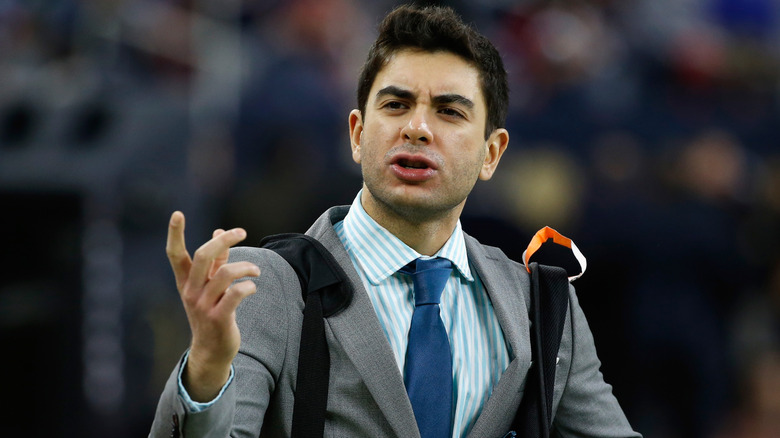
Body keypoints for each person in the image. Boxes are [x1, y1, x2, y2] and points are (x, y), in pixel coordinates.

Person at [149, 4, 641, 438]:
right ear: (358, 133)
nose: (418, 128)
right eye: (396, 104)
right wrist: (208, 374)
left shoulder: (543, 305)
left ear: (492, 154)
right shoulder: (264, 285)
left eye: (449, 111)